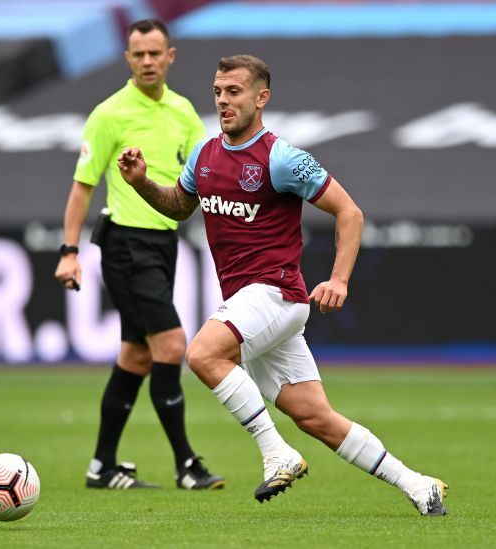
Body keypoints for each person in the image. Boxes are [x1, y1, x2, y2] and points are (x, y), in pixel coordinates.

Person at [116, 54, 449, 514]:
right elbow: (178, 205)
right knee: (317, 417)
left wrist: (338, 278)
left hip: (276, 292)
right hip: (251, 303)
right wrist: (141, 184)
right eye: (217, 91)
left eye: (234, 92)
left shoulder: (282, 158)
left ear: (261, 97)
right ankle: (417, 485)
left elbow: (349, 213)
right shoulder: (203, 155)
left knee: (203, 353)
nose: (223, 101)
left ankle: (278, 454)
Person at [54, 19, 224, 491]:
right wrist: (69, 251)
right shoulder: (109, 113)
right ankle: (186, 464)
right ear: (128, 60)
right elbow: (81, 187)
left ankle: (101, 467)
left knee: (135, 356)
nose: (147, 61)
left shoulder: (185, 113)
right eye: (138, 54)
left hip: (163, 244)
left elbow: (205, 175)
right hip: (126, 245)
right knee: (171, 345)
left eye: (155, 53)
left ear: (171, 56)